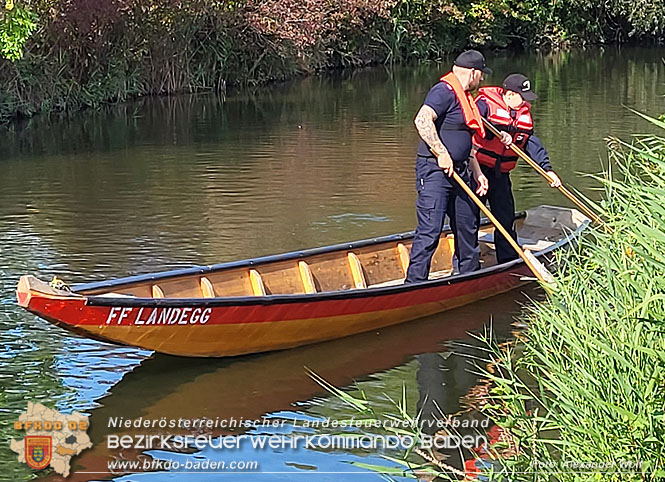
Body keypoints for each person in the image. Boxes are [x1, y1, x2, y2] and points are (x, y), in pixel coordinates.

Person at [405, 50, 499, 283]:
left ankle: (468, 276)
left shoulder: (465, 97)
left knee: (467, 226)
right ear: (473, 72)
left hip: (461, 171)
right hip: (435, 171)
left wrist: (477, 172)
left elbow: (463, 141)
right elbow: (422, 119)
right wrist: (441, 152)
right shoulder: (444, 91)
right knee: (431, 229)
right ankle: (415, 283)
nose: (482, 80)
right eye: (481, 75)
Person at [472, 73, 562, 264]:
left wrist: (547, 170)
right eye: (522, 97)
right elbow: (471, 123)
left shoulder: (523, 115)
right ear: (510, 94)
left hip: (500, 174)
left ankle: (508, 261)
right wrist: (495, 133)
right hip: (476, 171)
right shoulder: (484, 105)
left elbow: (532, 144)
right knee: (469, 217)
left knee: (505, 217)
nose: (524, 103)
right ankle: (467, 262)